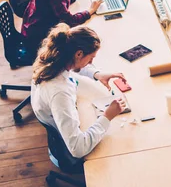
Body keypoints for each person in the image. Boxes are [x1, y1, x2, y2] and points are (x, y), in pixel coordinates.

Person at [31, 23, 126, 159]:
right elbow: (77, 148)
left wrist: (97, 74)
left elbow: (73, 70)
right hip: (67, 144)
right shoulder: (60, 93)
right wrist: (106, 117)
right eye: (91, 58)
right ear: (79, 53)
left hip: (61, 123)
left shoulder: (54, 59)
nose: (91, 62)